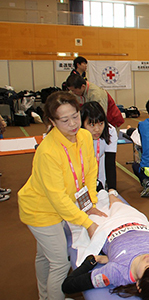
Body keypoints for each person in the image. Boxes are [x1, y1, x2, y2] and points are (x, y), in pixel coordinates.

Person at [18, 91, 104, 300]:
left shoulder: (83, 135)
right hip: (40, 210)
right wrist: (87, 222)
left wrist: (91, 201)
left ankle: (45, 295)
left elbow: (91, 169)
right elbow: (58, 199)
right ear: (52, 122)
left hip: (59, 204)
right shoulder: (48, 151)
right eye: (65, 120)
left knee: (45, 256)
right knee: (59, 263)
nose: (73, 124)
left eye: (75, 116)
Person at [62, 195, 149, 300]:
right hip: (135, 220)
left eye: (148, 267)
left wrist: (92, 260)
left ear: (139, 285)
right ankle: (110, 192)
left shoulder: (116, 272)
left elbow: (68, 285)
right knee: (112, 198)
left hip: (106, 229)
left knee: (87, 207)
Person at [80, 101, 118, 192]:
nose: (97, 129)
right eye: (92, 125)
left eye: (101, 123)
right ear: (82, 124)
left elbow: (110, 162)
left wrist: (112, 190)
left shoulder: (110, 131)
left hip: (99, 172)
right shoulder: (77, 135)